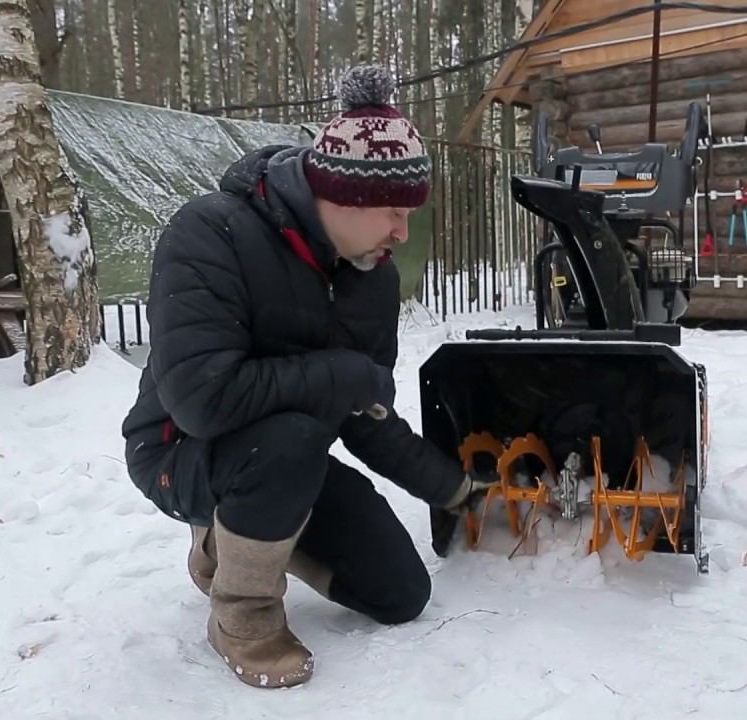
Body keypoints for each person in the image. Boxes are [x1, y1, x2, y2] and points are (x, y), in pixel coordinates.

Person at [121, 65, 495, 689]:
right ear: (345, 198)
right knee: (289, 440)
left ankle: (247, 535)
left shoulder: (371, 279)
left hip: (288, 464)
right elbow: (202, 402)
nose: (403, 233)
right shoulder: (211, 233)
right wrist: (343, 375)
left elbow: (364, 414)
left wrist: (457, 491)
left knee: (400, 594)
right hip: (181, 451)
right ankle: (243, 617)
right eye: (395, 213)